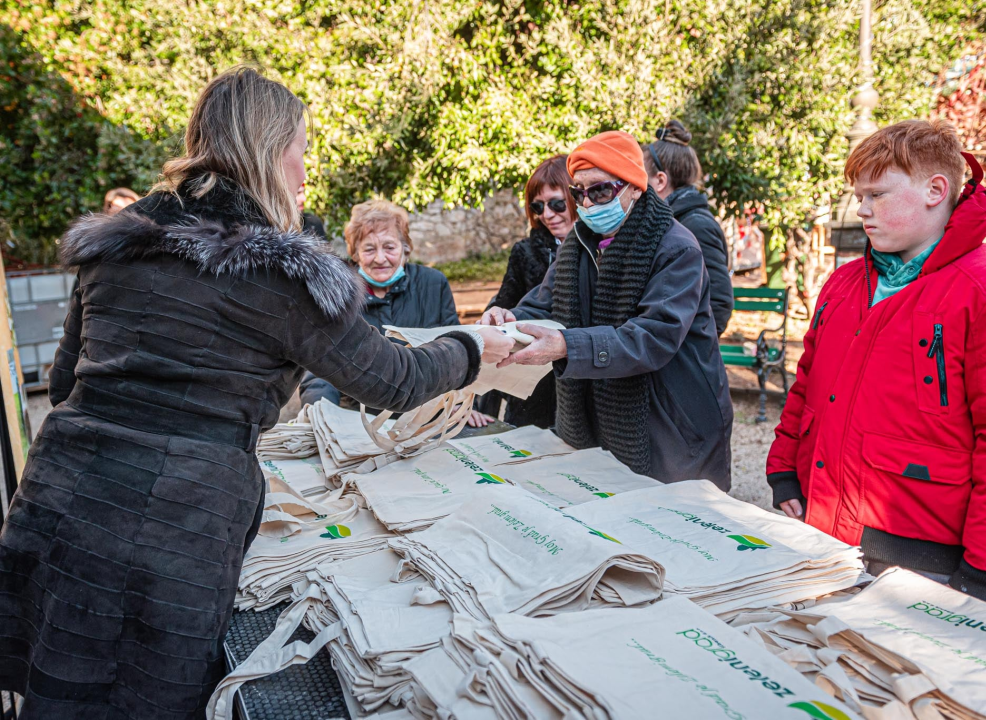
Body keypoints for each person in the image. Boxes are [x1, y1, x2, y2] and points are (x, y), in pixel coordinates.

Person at [0, 67, 513, 719]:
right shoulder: (282, 272)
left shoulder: (120, 242)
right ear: (271, 151)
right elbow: (394, 379)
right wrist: (473, 349)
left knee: (55, 691)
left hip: (61, 496)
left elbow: (68, 382)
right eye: (301, 150)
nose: (305, 173)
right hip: (175, 526)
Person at [766, 120, 986, 606]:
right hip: (821, 532)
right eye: (859, 195)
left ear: (935, 190)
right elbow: (807, 387)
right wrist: (782, 470)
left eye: (876, 194)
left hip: (925, 559)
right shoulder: (843, 284)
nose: (861, 209)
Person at [481, 130, 733, 487]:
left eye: (599, 190)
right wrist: (508, 318)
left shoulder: (677, 247)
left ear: (633, 186)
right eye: (578, 193)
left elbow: (652, 337)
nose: (587, 204)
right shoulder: (578, 244)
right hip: (599, 419)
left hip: (672, 423)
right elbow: (543, 299)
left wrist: (568, 345)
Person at [299, 199, 476, 418]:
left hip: (426, 417)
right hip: (361, 419)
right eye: (369, 249)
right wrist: (320, 414)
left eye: (390, 247)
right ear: (355, 254)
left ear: (406, 248)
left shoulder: (433, 284)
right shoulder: (339, 292)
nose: (380, 259)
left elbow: (455, 347)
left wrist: (462, 401)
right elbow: (320, 370)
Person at [478, 155, 577, 428]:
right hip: (531, 386)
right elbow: (506, 303)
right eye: (538, 206)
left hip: (580, 376)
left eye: (557, 204)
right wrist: (496, 314)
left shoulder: (598, 248)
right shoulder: (524, 251)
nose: (547, 214)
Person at [642, 120, 734, 335]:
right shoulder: (669, 221)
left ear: (660, 181)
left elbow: (719, 303)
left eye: (640, 175)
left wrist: (688, 347)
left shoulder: (696, 225)